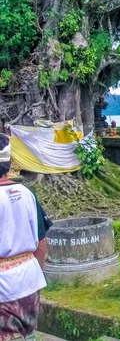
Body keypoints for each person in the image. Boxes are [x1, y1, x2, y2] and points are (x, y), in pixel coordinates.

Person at [0, 133, 51, 340]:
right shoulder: (27, 194)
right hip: (29, 282)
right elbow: (41, 244)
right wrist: (29, 273)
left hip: (3, 288)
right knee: (29, 336)